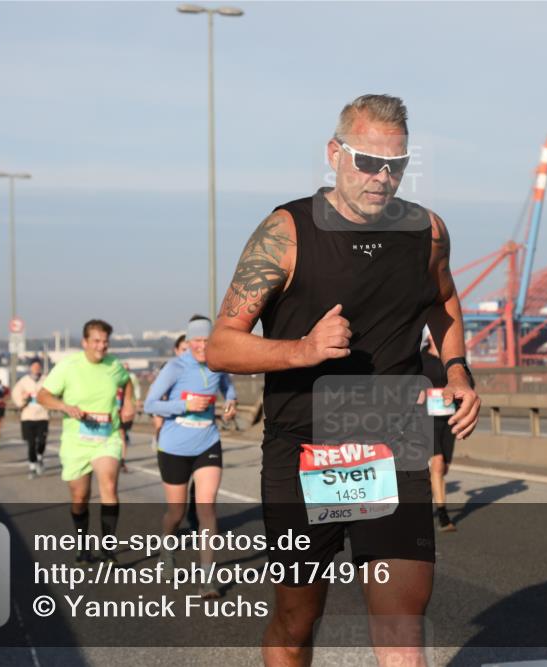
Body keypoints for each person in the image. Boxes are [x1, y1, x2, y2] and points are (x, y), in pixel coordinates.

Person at [207, 94, 480, 666]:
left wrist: (457, 370)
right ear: (334, 153)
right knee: (297, 619)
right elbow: (221, 345)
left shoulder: (426, 232)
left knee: (403, 624)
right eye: (366, 161)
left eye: (396, 165)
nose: (381, 178)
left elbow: (446, 301)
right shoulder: (286, 232)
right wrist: (301, 349)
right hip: (304, 450)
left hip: (389, 443)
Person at [145, 316, 237, 598]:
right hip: (174, 447)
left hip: (207, 442)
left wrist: (231, 400)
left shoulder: (217, 363)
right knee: (177, 512)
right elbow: (150, 404)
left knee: (206, 509)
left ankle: (207, 579)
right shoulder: (175, 367)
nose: (201, 346)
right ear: (188, 341)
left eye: (207, 341)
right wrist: (184, 404)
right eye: (196, 340)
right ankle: (166, 548)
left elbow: (227, 386)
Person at [37, 319, 136, 564]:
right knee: (80, 497)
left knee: (109, 487)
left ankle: (108, 549)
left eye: (105, 341)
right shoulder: (67, 366)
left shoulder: (114, 365)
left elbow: (127, 382)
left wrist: (129, 403)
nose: (102, 346)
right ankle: (82, 545)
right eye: (96, 341)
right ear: (84, 342)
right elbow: (42, 395)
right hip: (76, 441)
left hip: (107, 437)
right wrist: (64, 406)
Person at [419, 328, 457, 532]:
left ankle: (424, 492)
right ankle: (443, 516)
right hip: (427, 417)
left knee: (444, 467)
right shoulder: (421, 360)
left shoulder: (452, 360)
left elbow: (466, 383)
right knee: (438, 462)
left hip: (449, 418)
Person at [12, 359, 50, 479]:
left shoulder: (46, 380)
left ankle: (40, 457)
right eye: (34, 367)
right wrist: (22, 401)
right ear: (30, 368)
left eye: (38, 367)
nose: (36, 369)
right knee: (31, 443)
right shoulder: (23, 381)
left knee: (42, 441)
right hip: (27, 416)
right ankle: (32, 466)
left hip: (42, 415)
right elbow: (16, 395)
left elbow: (54, 392)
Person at [151, 335, 189, 446]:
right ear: (176, 351)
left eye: (189, 350)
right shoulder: (169, 368)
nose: (187, 353)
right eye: (184, 350)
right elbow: (154, 397)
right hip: (167, 411)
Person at [117, 362, 141, 473]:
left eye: (127, 368)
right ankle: (117, 458)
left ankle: (122, 460)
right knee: (119, 434)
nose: (126, 370)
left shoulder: (132, 378)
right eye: (124, 368)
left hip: (126, 409)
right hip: (114, 410)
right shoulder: (114, 377)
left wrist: (137, 401)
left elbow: (136, 389)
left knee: (122, 434)